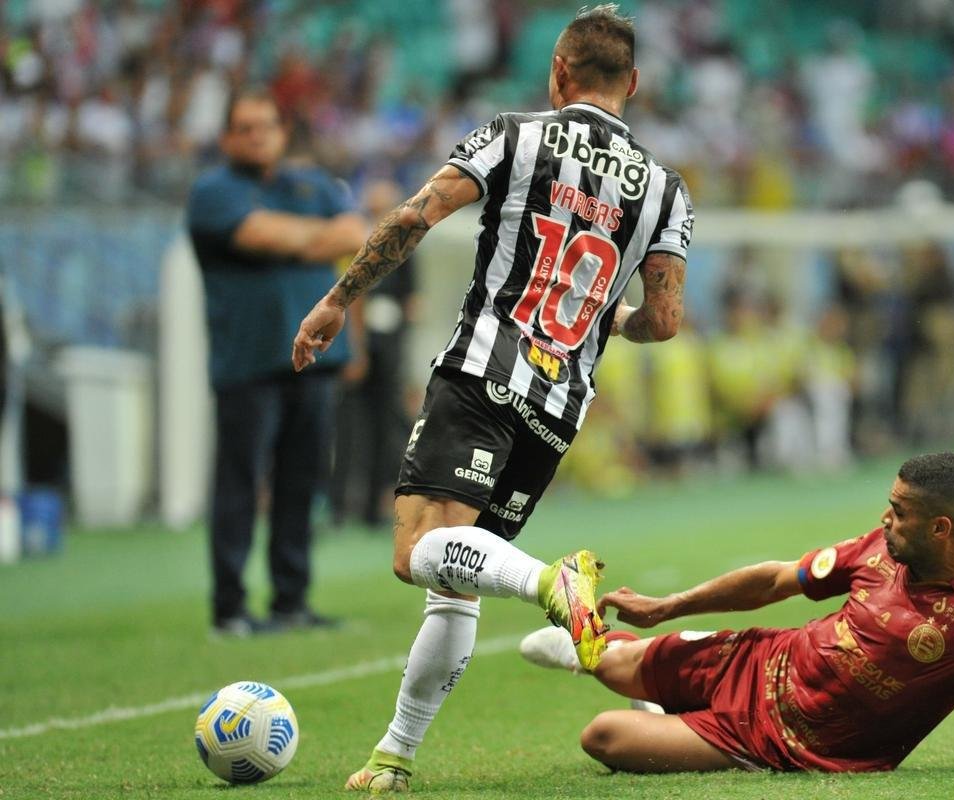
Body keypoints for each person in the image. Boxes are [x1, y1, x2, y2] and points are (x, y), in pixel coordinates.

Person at [290, 5, 693, 792]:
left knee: (418, 554)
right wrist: (604, 316)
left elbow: (415, 216)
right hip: (560, 405)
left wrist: (340, 298)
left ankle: (551, 583)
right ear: (634, 84)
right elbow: (667, 321)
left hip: (483, 372)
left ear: (558, 73)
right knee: (457, 576)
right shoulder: (669, 191)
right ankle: (394, 755)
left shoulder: (515, 134)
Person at [520, 452, 954, 777]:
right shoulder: (877, 548)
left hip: (774, 743)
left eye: (899, 512)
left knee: (603, 739)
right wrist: (671, 605)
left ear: (943, 528)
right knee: (613, 662)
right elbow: (779, 579)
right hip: (759, 660)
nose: (885, 518)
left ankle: (662, 710)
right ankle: (603, 653)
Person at [187, 87, 369, 636]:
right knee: (241, 483)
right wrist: (314, 237)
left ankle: (291, 600)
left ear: (282, 131)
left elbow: (356, 235)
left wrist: (297, 238)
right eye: (245, 127)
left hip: (313, 361)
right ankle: (231, 607)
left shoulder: (310, 182)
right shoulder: (213, 191)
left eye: (266, 125)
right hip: (248, 359)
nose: (258, 135)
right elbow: (256, 233)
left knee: (301, 481)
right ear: (226, 137)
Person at [329, 180, 422, 528]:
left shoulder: (406, 248)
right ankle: (339, 507)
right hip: (358, 344)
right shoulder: (356, 244)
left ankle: (372, 508)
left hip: (390, 348)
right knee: (350, 427)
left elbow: (413, 303)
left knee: (386, 427)